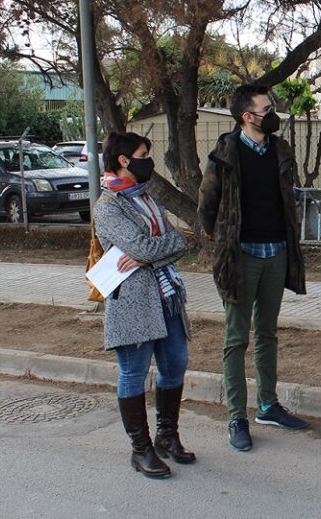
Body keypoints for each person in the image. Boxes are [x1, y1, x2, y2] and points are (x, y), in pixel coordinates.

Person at [198, 83, 307, 452]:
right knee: (236, 337)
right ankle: (236, 417)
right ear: (247, 116)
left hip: (276, 251)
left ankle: (268, 405)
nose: (272, 114)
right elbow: (207, 206)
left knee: (267, 333)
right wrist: (223, 242)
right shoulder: (224, 155)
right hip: (240, 255)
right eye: (266, 109)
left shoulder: (280, 149)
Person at [93, 132, 195, 479]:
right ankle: (141, 449)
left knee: (176, 364)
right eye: (143, 154)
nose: (148, 160)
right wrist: (151, 250)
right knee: (133, 373)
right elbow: (145, 246)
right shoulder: (108, 206)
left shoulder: (145, 196)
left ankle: (167, 435)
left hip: (167, 295)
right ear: (124, 160)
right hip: (133, 303)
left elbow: (179, 241)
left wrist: (146, 254)